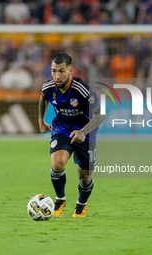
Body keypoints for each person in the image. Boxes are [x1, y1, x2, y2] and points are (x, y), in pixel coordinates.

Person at [38, 52, 106, 217]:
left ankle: (81, 204)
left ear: (70, 70)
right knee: (57, 164)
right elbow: (43, 99)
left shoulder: (81, 90)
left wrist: (83, 131)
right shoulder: (48, 87)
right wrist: (41, 120)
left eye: (61, 71)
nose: (57, 75)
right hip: (62, 128)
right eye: (54, 71)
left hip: (85, 131)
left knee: (84, 177)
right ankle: (60, 199)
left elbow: (101, 114)